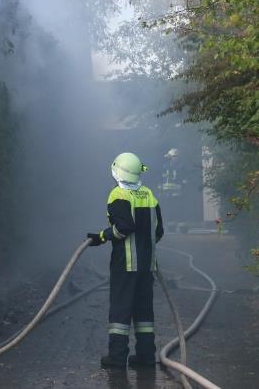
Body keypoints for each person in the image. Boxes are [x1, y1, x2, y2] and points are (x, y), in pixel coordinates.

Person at [87, 152, 164, 369]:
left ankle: (117, 358)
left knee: (120, 312)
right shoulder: (149, 195)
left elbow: (124, 227)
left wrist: (101, 237)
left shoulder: (118, 195)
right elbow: (159, 231)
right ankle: (146, 357)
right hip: (147, 266)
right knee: (144, 313)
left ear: (117, 172)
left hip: (126, 265)